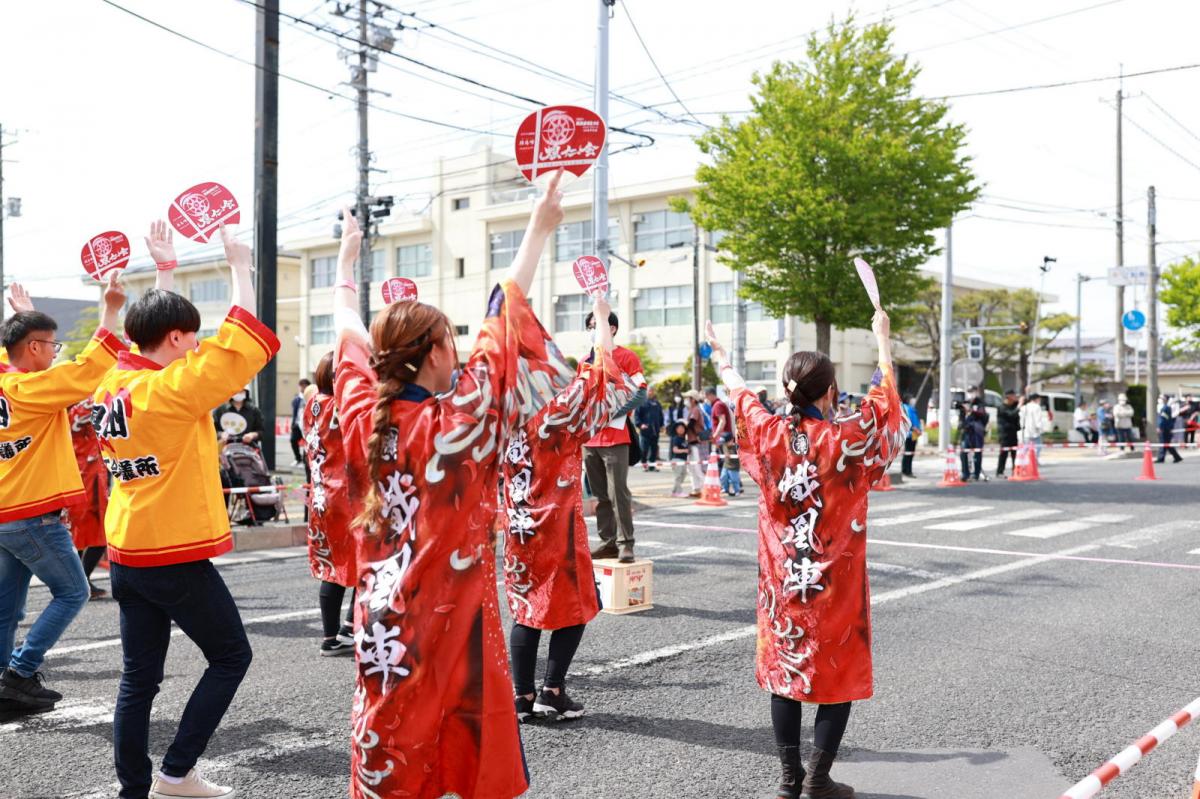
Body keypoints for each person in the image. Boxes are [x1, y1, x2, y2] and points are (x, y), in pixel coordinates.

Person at [332, 173, 567, 799]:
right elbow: (504, 317)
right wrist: (539, 227)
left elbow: (348, 331)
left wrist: (345, 266)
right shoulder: (459, 418)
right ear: (435, 352)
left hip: (383, 615)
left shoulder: (361, 416)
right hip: (454, 616)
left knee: (391, 734)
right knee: (465, 735)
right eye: (450, 341)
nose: (460, 350)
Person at [94, 225, 278, 799]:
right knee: (231, 655)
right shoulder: (173, 388)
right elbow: (241, 345)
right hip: (171, 553)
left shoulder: (112, 383)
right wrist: (240, 266)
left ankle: (135, 789)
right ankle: (176, 773)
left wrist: (166, 274)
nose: (199, 344)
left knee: (138, 680)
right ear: (177, 338)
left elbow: (143, 336)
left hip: (126, 549)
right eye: (192, 337)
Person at [705, 309, 907, 799]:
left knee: (784, 670)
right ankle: (818, 779)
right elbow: (885, 406)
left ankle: (788, 779)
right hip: (834, 582)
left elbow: (741, 397)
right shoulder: (846, 437)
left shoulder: (770, 432)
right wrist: (882, 342)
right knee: (837, 673)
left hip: (783, 578)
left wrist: (722, 360)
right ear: (831, 391)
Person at [503, 292, 635, 722]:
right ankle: (552, 690)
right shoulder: (556, 412)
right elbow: (602, 380)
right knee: (576, 606)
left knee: (526, 608)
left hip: (518, 525)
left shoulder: (499, 411)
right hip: (556, 528)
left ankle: (521, 697)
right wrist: (601, 319)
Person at [0, 278, 127, 714]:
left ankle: (5, 686)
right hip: (31, 513)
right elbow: (87, 371)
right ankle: (20, 673)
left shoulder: (6, 378)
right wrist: (110, 311)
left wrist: (24, 315)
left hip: (5, 512)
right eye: (51, 346)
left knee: (7, 608)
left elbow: (14, 349)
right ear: (34, 348)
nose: (56, 353)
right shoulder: (32, 389)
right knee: (73, 592)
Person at [302, 353, 359, 656]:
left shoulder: (311, 405)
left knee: (332, 568)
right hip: (345, 495)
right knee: (366, 562)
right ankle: (349, 627)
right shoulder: (341, 406)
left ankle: (333, 634)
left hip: (321, 494)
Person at [583, 311, 647, 562]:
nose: (592, 330)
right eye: (589, 326)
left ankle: (625, 543)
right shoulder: (585, 360)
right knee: (599, 496)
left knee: (617, 493)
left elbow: (641, 392)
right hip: (590, 439)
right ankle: (607, 541)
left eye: (596, 324)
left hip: (615, 437)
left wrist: (610, 412)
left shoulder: (626, 357)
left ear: (612, 328)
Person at [66, 400, 111, 600]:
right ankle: (80, 581)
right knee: (99, 532)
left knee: (78, 531)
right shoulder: (95, 400)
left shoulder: (68, 403)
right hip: (90, 473)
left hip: (74, 471)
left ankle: (79, 581)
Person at [957, 387, 988, 482]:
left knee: (977, 453)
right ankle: (965, 473)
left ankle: (976, 474)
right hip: (966, 432)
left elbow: (983, 415)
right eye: (970, 392)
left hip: (976, 433)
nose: (971, 394)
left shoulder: (979, 404)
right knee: (963, 453)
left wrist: (972, 411)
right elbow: (961, 417)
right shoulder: (964, 403)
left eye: (973, 392)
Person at [683, 389, 707, 497]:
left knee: (697, 468)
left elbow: (691, 424)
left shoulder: (695, 410)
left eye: (688, 398)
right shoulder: (693, 409)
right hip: (692, 442)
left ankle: (704, 489)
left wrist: (683, 425)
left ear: (693, 400)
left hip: (696, 442)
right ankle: (696, 489)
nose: (686, 400)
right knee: (691, 468)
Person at [634, 385, 664, 471]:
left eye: (652, 390)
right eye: (649, 390)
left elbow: (660, 416)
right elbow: (637, 416)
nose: (651, 392)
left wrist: (661, 425)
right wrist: (640, 425)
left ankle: (652, 466)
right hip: (645, 431)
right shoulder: (641, 403)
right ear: (646, 391)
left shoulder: (657, 403)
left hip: (655, 431)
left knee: (654, 449)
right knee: (644, 449)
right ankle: (644, 465)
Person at [995, 390, 1021, 479]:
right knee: (1004, 453)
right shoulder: (1002, 407)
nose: (1015, 397)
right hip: (1005, 434)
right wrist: (1019, 406)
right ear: (1009, 396)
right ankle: (1000, 471)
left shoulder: (1013, 405)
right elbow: (1011, 415)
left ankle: (1016, 470)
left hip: (1013, 433)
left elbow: (1024, 401)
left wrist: (1026, 392)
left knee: (1015, 453)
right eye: (1014, 396)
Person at [1020, 391, 1047, 460]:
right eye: (1039, 399)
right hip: (1035, 431)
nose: (1039, 400)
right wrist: (1041, 429)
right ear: (1036, 399)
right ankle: (1034, 461)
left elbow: (1021, 419)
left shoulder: (1024, 407)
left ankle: (1022, 460)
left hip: (1026, 431)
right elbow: (1038, 420)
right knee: (1038, 447)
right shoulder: (1037, 407)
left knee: (1025, 447)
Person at [1156, 395, 1183, 464]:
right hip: (1167, 428)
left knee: (1163, 443)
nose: (1159, 399)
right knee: (1167, 444)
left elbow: (1163, 420)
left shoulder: (1165, 408)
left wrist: (1160, 427)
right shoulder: (1165, 408)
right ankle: (1177, 457)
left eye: (1161, 398)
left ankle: (1161, 458)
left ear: (1165, 400)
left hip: (1164, 429)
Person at [290, 378, 311, 466]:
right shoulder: (298, 399)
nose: (302, 388)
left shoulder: (311, 397)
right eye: (301, 386)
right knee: (293, 440)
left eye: (304, 386)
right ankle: (297, 458)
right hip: (298, 423)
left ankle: (305, 460)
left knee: (308, 442)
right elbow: (294, 410)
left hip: (308, 424)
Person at [900, 394, 921, 478]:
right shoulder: (906, 408)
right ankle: (906, 471)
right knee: (908, 452)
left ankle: (909, 470)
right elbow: (908, 420)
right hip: (910, 433)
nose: (913, 400)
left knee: (911, 453)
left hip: (915, 433)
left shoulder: (912, 408)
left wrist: (919, 430)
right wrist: (915, 429)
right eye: (911, 398)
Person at [668, 421, 690, 498]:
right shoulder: (676, 438)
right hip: (676, 459)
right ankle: (679, 492)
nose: (681, 429)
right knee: (678, 476)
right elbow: (675, 450)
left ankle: (674, 491)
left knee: (683, 475)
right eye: (679, 428)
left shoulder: (684, 439)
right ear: (676, 429)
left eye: (682, 428)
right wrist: (684, 451)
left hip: (683, 460)